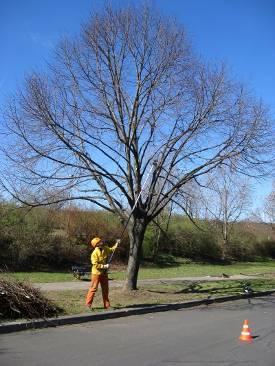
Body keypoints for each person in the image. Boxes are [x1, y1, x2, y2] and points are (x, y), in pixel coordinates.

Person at [86, 237, 120, 310]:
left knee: (105, 289)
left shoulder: (105, 248)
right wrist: (104, 266)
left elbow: (112, 250)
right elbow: (95, 264)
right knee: (93, 289)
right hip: (96, 274)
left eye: (101, 241)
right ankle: (88, 305)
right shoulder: (94, 253)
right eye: (99, 242)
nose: (101, 242)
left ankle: (107, 305)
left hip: (104, 273)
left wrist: (117, 244)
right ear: (96, 245)